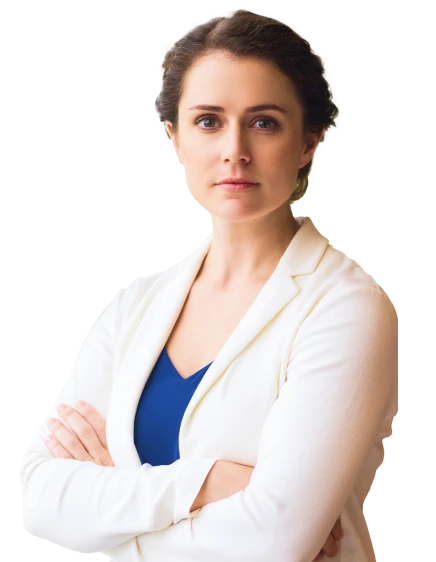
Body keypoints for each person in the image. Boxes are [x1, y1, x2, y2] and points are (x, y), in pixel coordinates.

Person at [19, 6, 397, 561]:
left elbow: (271, 543)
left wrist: (107, 514)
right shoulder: (135, 303)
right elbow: (32, 496)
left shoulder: (348, 308)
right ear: (175, 136)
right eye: (208, 121)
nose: (234, 150)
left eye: (264, 122)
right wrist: (210, 483)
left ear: (308, 140)